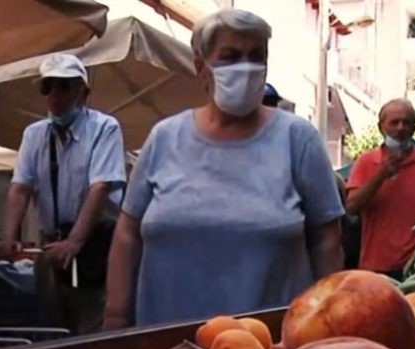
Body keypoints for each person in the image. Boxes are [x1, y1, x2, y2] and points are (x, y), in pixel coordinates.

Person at [103, 9, 345, 330]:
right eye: (230, 57)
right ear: (201, 67)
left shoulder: (297, 139)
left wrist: (328, 326)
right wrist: (116, 316)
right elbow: (127, 231)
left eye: (256, 57)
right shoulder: (164, 137)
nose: (245, 68)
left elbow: (327, 239)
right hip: (165, 346)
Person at [0, 53, 126, 334]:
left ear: (84, 92)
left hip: (95, 243)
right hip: (51, 245)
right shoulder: (35, 134)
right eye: (48, 86)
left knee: (92, 328)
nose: (55, 94)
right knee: (53, 329)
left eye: (64, 85)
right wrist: (9, 238)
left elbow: (100, 187)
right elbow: (20, 188)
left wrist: (75, 242)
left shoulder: (104, 128)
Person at [345, 99, 415, 280]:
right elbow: (351, 207)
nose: (401, 128)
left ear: (414, 128)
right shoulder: (365, 162)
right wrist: (382, 174)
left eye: (406, 122)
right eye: (394, 122)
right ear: (381, 127)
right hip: (375, 267)